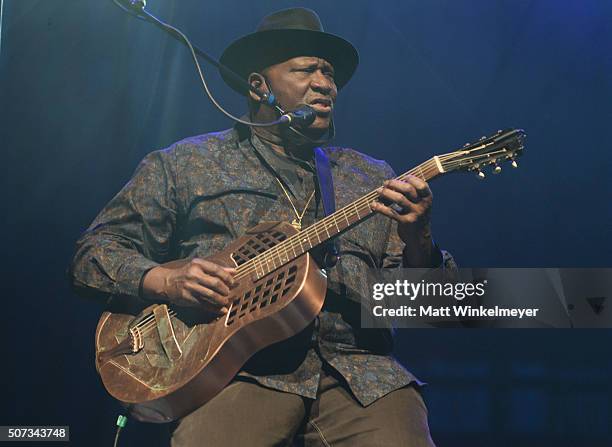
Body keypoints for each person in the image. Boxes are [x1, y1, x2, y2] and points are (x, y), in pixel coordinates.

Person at [70, 7, 456, 447]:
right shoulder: (188, 163)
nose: (325, 84)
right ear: (260, 86)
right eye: (306, 69)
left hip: (360, 376)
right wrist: (167, 280)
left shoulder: (370, 178)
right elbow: (93, 254)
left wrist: (418, 237)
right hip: (237, 373)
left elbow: (429, 309)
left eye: (329, 73)